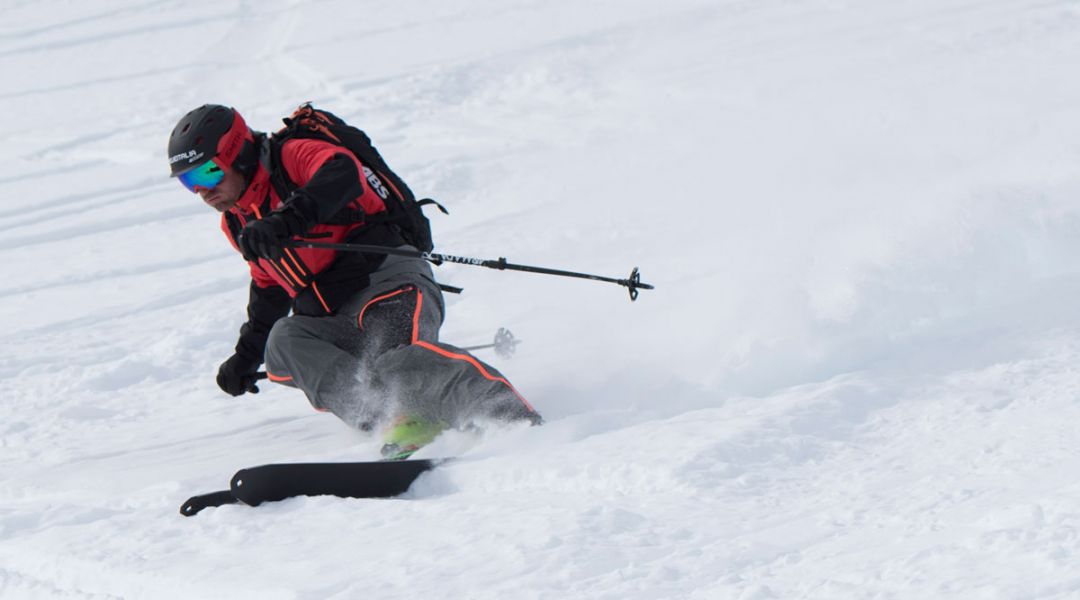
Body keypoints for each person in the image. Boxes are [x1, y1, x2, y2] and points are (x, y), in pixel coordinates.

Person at [167, 104, 540, 457]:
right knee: (283, 341)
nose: (202, 190)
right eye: (189, 182)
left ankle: (506, 412)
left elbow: (341, 173)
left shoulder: (291, 156)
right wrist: (245, 358)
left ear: (240, 153)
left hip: (389, 282)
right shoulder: (237, 221)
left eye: (208, 172)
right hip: (334, 317)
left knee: (395, 362)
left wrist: (287, 220)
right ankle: (389, 417)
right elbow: (269, 289)